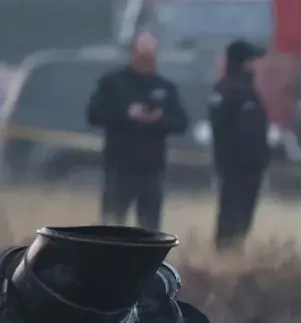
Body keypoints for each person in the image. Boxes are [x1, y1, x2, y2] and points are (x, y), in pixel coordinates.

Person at [86, 33, 188, 231]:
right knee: (112, 223)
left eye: (151, 57)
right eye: (143, 57)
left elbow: (181, 122)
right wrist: (126, 114)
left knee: (149, 227)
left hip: (151, 168)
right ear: (133, 54)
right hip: (119, 165)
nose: (146, 62)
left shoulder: (165, 87)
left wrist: (159, 119)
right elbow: (94, 114)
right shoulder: (113, 83)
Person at [209, 40, 270, 251]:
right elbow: (222, 129)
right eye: (252, 61)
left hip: (252, 168)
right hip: (234, 167)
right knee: (230, 213)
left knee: (244, 216)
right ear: (243, 63)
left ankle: (235, 250)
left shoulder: (248, 92)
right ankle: (224, 252)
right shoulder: (226, 90)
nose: (256, 66)